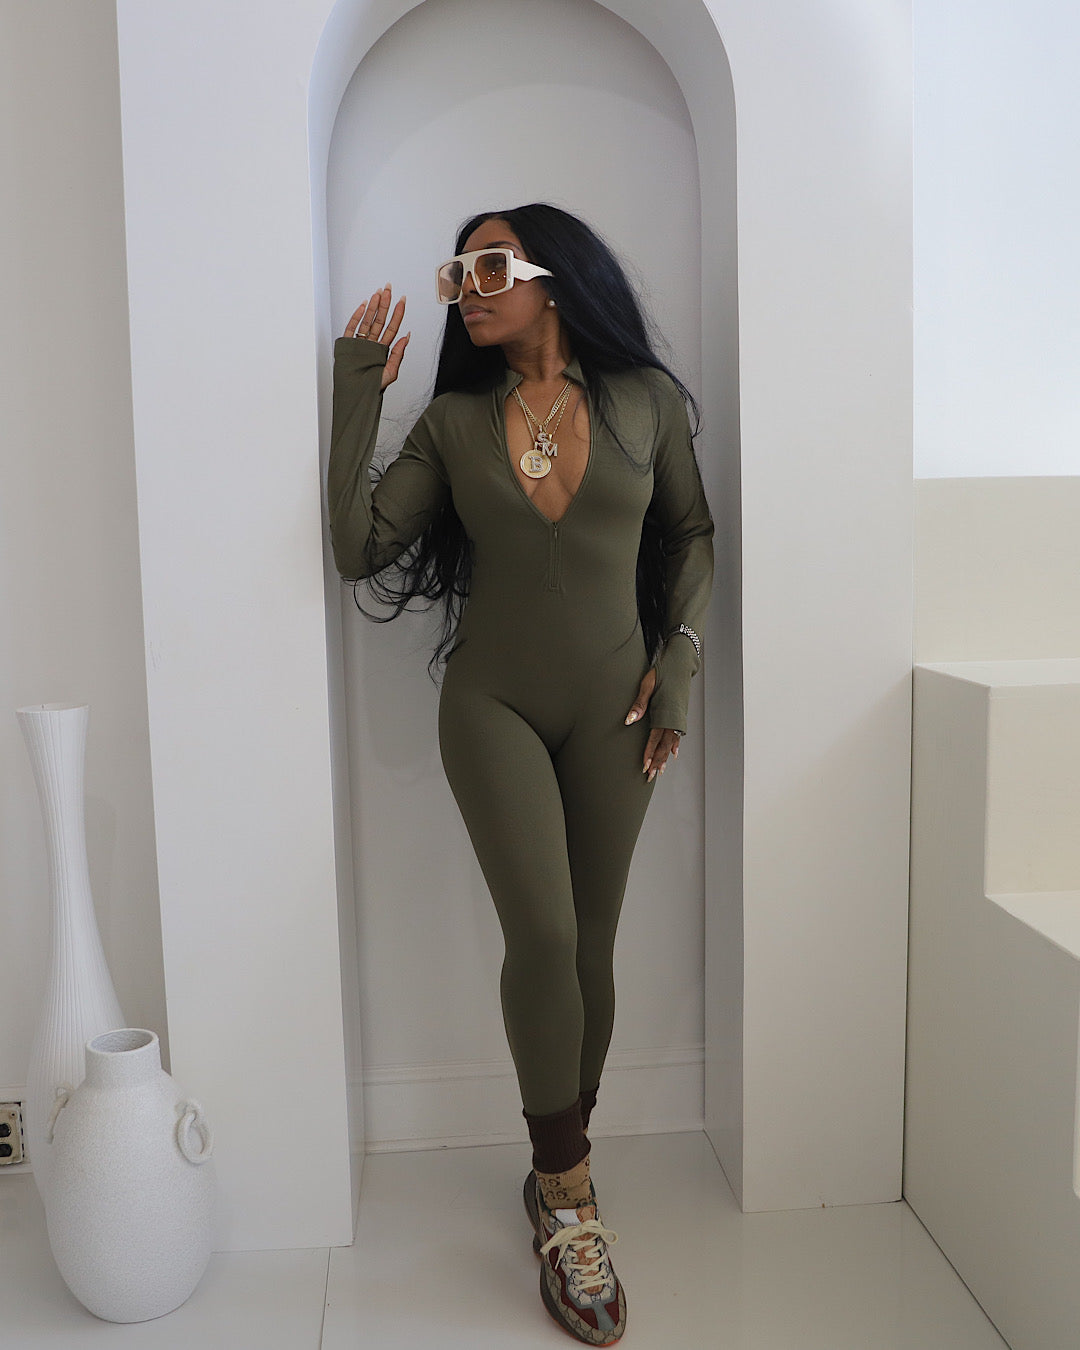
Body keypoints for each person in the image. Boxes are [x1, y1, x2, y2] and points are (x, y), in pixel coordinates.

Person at [328, 203, 713, 1346]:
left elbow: (692, 534)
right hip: (490, 706)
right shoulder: (453, 422)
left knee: (590, 946)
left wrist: (681, 661)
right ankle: (569, 1195)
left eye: (489, 267)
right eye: (459, 276)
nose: (468, 291)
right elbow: (357, 546)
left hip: (620, 708)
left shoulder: (644, 402)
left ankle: (559, 1157)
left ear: (555, 277)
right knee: (543, 936)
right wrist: (358, 387)